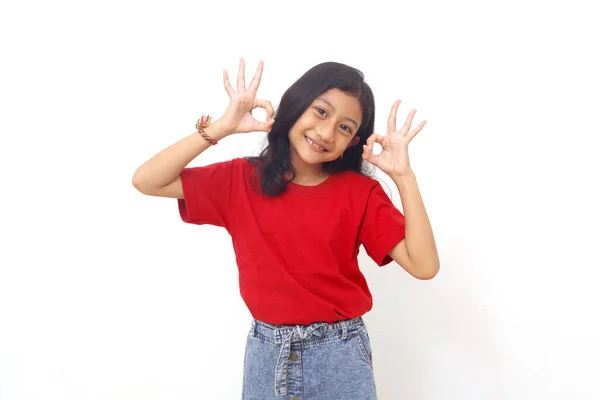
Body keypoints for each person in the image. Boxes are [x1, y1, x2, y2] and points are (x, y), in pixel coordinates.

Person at [132, 58, 439, 400]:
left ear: (353, 143)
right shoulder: (240, 180)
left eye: (345, 128)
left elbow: (424, 266)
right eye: (321, 112)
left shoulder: (361, 193)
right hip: (266, 355)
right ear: (296, 105)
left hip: (340, 357)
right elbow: (147, 181)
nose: (326, 132)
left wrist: (404, 177)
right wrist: (220, 128)